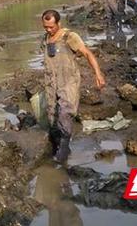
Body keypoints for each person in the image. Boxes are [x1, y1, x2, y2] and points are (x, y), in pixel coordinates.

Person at [41, 10, 106, 163]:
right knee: (52, 116)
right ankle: (60, 146)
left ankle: (64, 147)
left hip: (68, 81)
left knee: (65, 112)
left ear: (59, 23)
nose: (49, 30)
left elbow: (88, 54)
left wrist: (98, 74)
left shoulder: (69, 36)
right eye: (45, 27)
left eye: (51, 27)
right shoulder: (45, 39)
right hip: (51, 83)